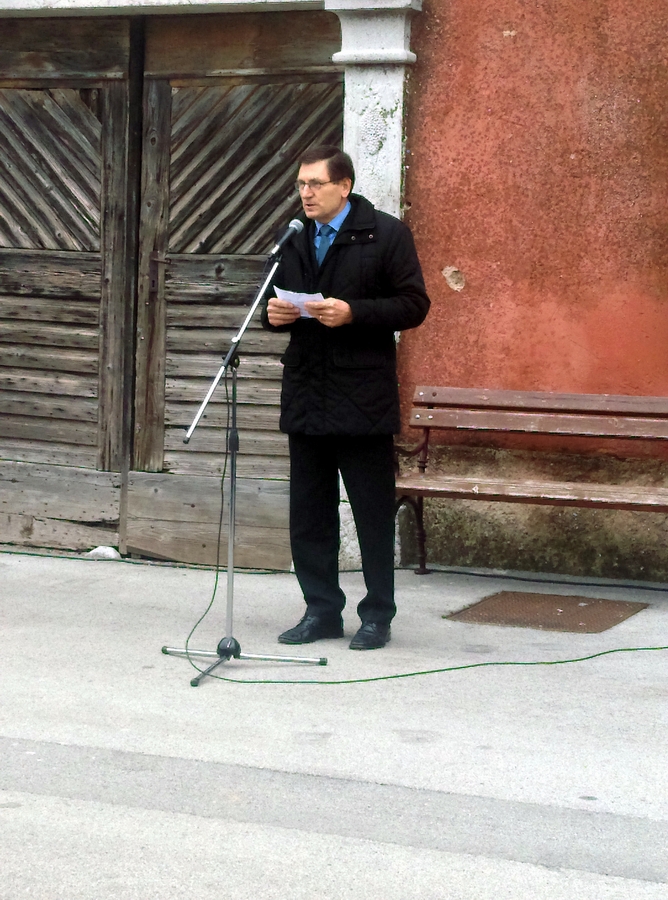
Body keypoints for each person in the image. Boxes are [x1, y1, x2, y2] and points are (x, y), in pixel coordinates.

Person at [261, 145, 430, 650]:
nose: (306, 193)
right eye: (301, 184)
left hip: (362, 397)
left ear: (345, 186)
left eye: (315, 184)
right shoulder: (294, 237)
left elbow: (414, 304)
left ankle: (377, 615)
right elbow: (270, 301)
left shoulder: (386, 234)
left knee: (371, 512)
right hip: (307, 393)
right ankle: (321, 611)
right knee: (309, 514)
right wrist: (274, 316)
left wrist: (354, 312)